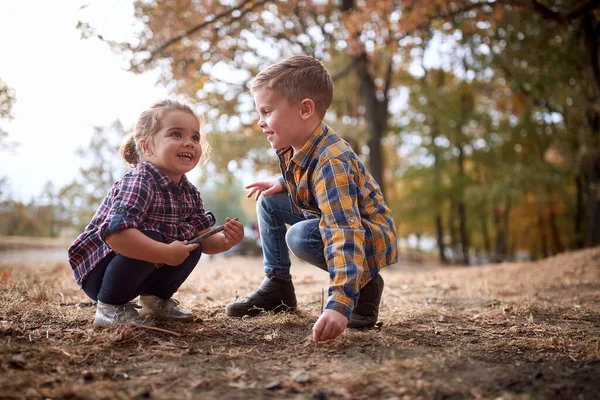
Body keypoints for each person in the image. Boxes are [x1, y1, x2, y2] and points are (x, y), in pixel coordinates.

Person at [225, 55, 398, 342]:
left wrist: (339, 304)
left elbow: (343, 229)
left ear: (305, 109)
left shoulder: (332, 162)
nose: (260, 122)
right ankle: (278, 284)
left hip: (364, 236)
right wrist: (281, 182)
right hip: (339, 223)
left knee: (300, 236)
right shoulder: (298, 146)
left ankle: (365, 285)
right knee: (269, 201)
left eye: (267, 112)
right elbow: (310, 183)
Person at [68, 99, 244, 328]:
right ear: (146, 146)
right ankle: (110, 308)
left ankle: (156, 301)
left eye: (195, 137)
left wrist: (227, 241)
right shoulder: (140, 181)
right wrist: (163, 253)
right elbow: (116, 235)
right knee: (153, 236)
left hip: (146, 265)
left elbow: (205, 241)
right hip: (100, 270)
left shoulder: (189, 191)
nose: (189, 143)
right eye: (176, 134)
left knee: (190, 243)